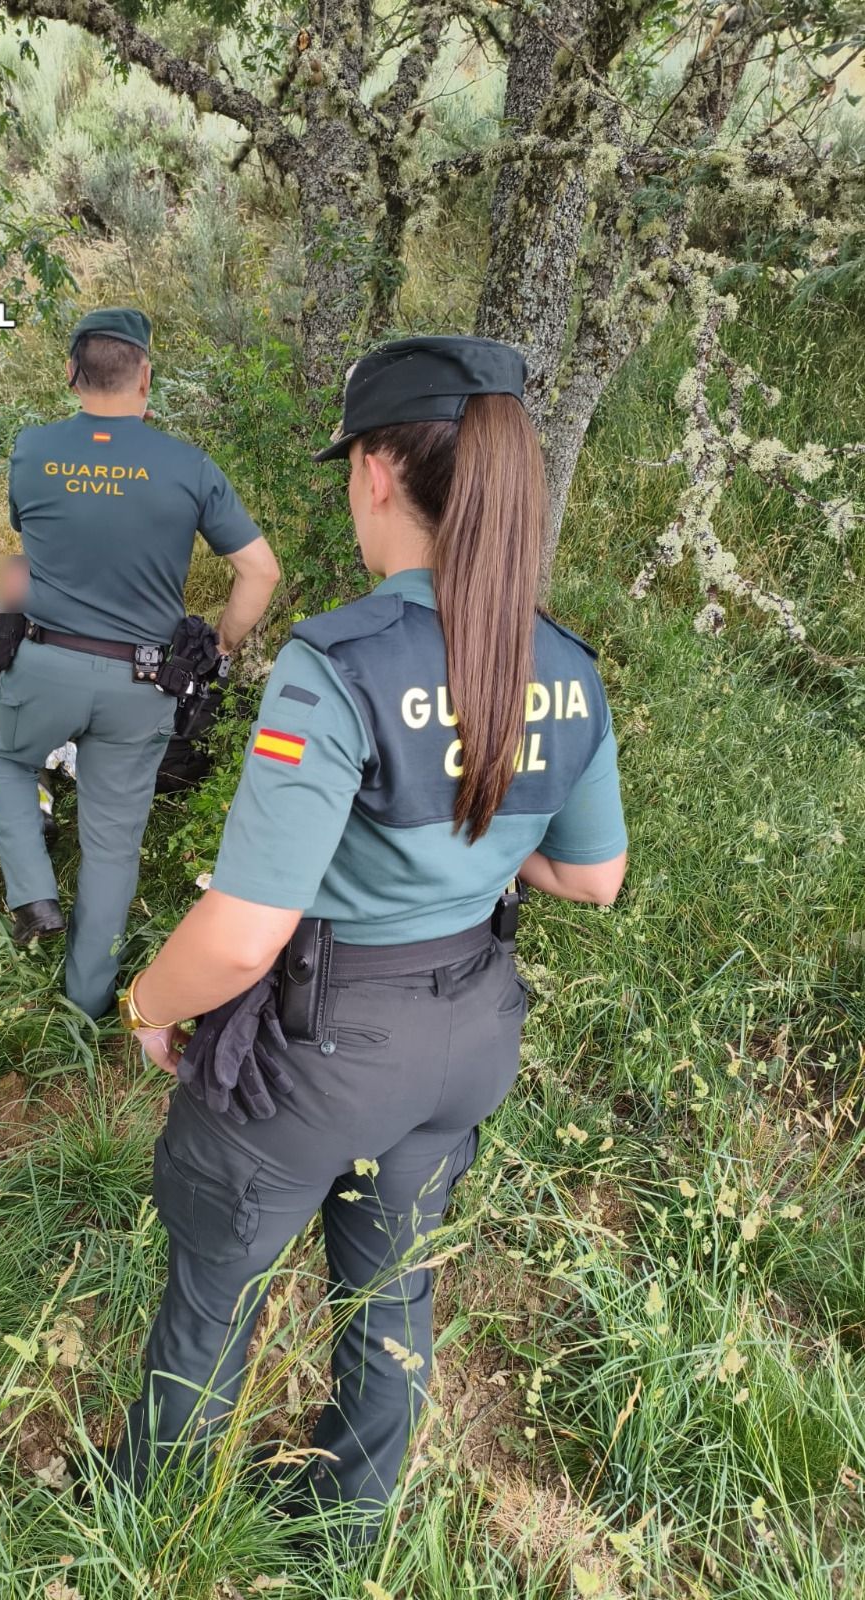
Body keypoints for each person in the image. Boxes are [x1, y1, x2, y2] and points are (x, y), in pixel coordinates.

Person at [112, 335, 629, 1539]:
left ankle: (142, 1523)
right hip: (469, 1030)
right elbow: (593, 875)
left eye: (351, 461)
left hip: (323, 1039)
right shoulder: (561, 663)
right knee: (393, 1279)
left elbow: (243, 938)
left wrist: (148, 1003)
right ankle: (352, 1519)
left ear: (379, 472)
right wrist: (479, 851)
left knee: (216, 1281)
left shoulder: (336, 662)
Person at [0, 307, 279, 1019]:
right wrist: (224, 647)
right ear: (146, 375)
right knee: (113, 851)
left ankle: (32, 895)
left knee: (6, 761)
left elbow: (31, 542)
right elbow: (260, 572)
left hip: (44, 666)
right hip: (143, 683)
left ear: (70, 373)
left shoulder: (33, 450)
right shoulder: (187, 465)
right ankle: (86, 1006)